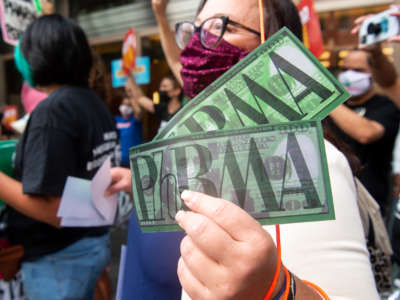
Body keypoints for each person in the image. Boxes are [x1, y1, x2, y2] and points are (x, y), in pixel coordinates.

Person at [107, 0, 379, 299]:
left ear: (275, 46)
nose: (200, 42)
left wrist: (277, 290)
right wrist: (141, 186)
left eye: (224, 26)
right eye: (195, 29)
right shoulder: (198, 144)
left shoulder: (306, 160)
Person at [0, 15, 118, 300]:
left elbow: (54, 211)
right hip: (92, 245)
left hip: (59, 260)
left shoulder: (53, 111)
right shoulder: (94, 104)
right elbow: (87, 192)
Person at [329, 49, 400, 216]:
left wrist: (327, 99)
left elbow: (366, 133)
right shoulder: (338, 108)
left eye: (358, 71)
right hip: (336, 200)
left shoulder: (386, 106)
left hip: (370, 205)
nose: (348, 75)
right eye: (345, 69)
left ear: (373, 75)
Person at [115, 93, 142, 167]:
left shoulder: (135, 120)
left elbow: (139, 112)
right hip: (118, 160)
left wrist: (131, 96)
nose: (125, 107)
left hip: (134, 160)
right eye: (124, 104)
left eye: (129, 105)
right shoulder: (116, 119)